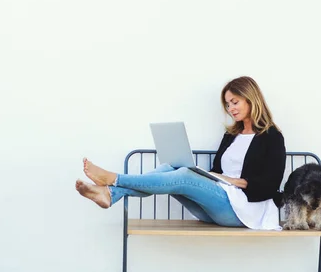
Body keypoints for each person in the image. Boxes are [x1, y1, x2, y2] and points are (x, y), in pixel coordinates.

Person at [75, 76, 286, 230]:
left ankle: (114, 180)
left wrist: (234, 181)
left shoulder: (272, 137)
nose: (230, 108)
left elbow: (270, 185)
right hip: (217, 205)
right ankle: (111, 194)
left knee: (184, 176)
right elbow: (216, 171)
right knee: (170, 168)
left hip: (245, 212)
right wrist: (212, 177)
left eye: (235, 102)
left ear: (251, 99)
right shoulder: (231, 135)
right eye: (228, 104)